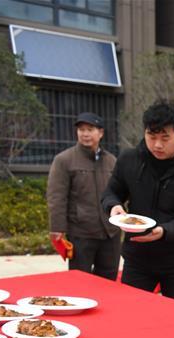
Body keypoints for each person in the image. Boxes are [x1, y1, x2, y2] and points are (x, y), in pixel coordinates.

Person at [101, 100, 174, 303]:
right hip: (138, 257)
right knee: (131, 313)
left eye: (164, 138)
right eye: (152, 136)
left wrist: (164, 231)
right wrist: (113, 206)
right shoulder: (129, 160)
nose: (157, 145)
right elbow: (111, 192)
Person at [46, 112, 120, 279]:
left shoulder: (112, 161)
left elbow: (119, 193)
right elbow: (56, 197)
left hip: (110, 232)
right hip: (81, 232)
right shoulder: (64, 160)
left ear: (100, 133)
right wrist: (57, 228)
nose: (85, 134)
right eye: (81, 130)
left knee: (108, 280)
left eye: (90, 129)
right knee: (80, 281)